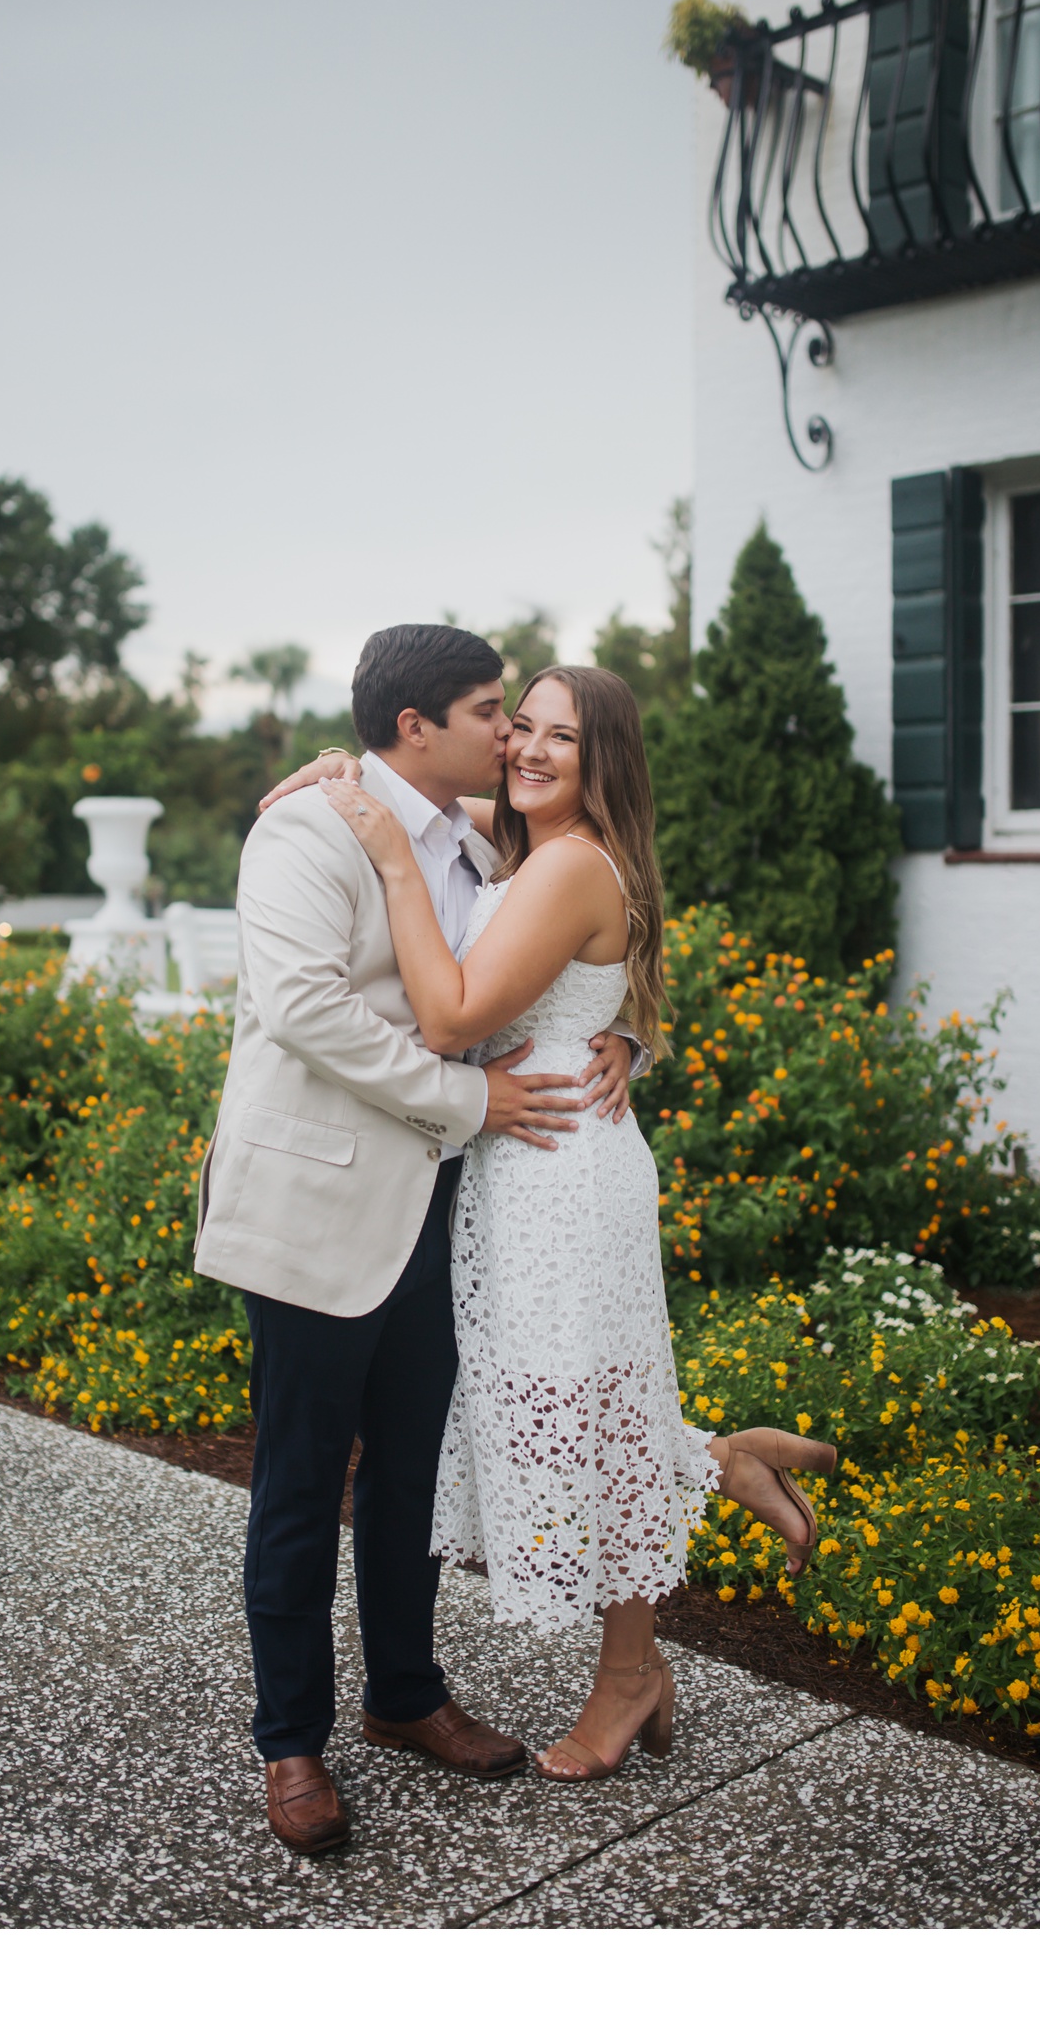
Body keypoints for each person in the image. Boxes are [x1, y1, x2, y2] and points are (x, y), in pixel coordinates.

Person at [310, 663, 837, 1781]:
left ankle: (630, 1675)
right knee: (559, 1401)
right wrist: (342, 772)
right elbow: (426, 793)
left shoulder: (564, 868)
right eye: (523, 728)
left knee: (570, 1406)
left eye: (563, 737)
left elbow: (452, 1009)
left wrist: (394, 857)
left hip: (557, 1175)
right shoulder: (543, 839)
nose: (530, 750)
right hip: (526, 1162)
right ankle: (727, 1462)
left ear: (607, 762)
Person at [194, 624, 647, 1853]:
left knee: (409, 1473)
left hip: (449, 1208)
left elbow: (591, 946)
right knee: (298, 1480)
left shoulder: (489, 838)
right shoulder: (307, 829)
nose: (512, 735)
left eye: (527, 718)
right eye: (495, 712)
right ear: (415, 729)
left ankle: (405, 1694)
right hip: (320, 1205)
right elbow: (301, 1009)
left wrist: (616, 1040)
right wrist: (472, 1101)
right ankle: (291, 1740)